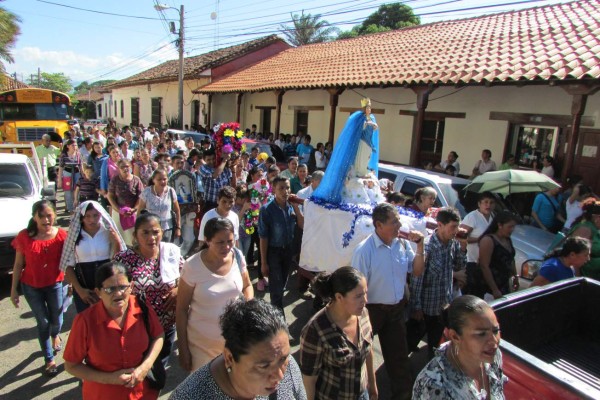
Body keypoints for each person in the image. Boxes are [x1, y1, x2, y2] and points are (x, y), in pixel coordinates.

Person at [351, 203, 424, 400]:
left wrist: (420, 247)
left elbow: (416, 271)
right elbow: (356, 290)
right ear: (379, 225)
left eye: (398, 220)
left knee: (398, 359)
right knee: (359, 356)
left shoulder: (402, 244)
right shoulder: (364, 251)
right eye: (394, 221)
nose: (399, 224)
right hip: (371, 311)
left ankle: (403, 395)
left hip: (396, 311)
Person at [63, 262, 164, 400]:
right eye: (110, 289)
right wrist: (110, 379)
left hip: (143, 394)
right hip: (102, 395)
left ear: (132, 287)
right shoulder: (85, 321)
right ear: (98, 292)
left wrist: (145, 367)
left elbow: (158, 335)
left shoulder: (142, 308)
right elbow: (71, 365)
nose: (118, 294)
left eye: (123, 287)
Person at [169, 299, 306, 400]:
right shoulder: (188, 396)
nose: (280, 376)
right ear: (229, 358)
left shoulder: (288, 366)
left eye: (283, 358)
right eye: (264, 366)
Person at [176, 218, 254, 372]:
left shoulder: (237, 256)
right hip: (201, 348)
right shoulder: (192, 266)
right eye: (220, 242)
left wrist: (248, 307)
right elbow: (181, 309)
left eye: (230, 241)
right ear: (207, 240)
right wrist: (183, 349)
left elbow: (247, 285)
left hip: (234, 343)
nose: (226, 247)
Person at [114, 213, 183, 370]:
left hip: (166, 325)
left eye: (155, 232)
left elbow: (189, 277)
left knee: (159, 369)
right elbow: (114, 289)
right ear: (135, 235)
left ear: (162, 233)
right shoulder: (124, 259)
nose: (151, 237)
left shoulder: (171, 254)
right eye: (145, 232)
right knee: (140, 368)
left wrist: (178, 289)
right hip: (137, 327)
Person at [299, 267, 377, 400]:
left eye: (365, 293)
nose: (365, 300)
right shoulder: (315, 330)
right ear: (339, 297)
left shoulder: (363, 314)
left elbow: (368, 351)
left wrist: (373, 386)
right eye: (358, 296)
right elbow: (309, 380)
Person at [10, 200, 67, 377]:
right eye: (41, 216)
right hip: (31, 287)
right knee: (43, 322)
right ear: (34, 217)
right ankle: (49, 359)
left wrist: (71, 284)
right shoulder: (24, 236)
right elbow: (18, 264)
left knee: (57, 320)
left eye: (49, 215)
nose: (46, 219)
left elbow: (68, 263)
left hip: (55, 284)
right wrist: (14, 290)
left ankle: (55, 334)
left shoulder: (61, 236)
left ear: (54, 215)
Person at [412, 295, 506, 399]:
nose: (494, 342)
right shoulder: (433, 386)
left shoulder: (494, 356)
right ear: (455, 336)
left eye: (495, 331)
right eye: (481, 334)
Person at [409, 208, 467, 360]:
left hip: (443, 305)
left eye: (457, 227)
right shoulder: (427, 246)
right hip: (427, 307)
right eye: (452, 227)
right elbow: (417, 279)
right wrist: (416, 307)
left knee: (436, 346)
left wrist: (463, 247)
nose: (456, 231)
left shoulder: (453, 244)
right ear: (440, 225)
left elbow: (459, 265)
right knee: (411, 341)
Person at [59, 201, 126, 313]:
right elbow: (68, 266)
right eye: (87, 216)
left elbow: (118, 260)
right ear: (81, 218)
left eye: (95, 215)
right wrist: (80, 290)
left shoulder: (108, 232)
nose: (92, 220)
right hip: (84, 286)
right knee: (88, 322)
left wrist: (117, 242)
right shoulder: (75, 236)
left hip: (108, 284)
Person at [313, 98, 379, 205]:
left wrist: (372, 124)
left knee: (366, 157)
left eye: (369, 108)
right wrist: (367, 124)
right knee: (360, 158)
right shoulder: (360, 118)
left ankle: (363, 171)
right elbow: (358, 129)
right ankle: (358, 171)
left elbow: (375, 128)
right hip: (361, 143)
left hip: (368, 143)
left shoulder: (371, 118)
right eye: (367, 107)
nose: (369, 110)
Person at [259, 177, 304, 313]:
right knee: (276, 290)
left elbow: (301, 225)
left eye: (287, 187)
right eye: (281, 188)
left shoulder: (291, 206)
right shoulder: (267, 210)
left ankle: (275, 314)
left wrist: (296, 207)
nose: (285, 191)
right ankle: (278, 320)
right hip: (274, 253)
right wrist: (263, 262)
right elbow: (263, 237)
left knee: (281, 285)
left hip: (288, 251)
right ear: (273, 189)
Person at [474, 211, 520, 299]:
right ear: (500, 225)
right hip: (489, 287)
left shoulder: (507, 239)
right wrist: (494, 289)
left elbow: (511, 259)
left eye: (513, 226)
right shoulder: (488, 240)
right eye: (509, 226)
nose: (512, 229)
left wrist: (515, 276)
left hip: (504, 283)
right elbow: (484, 266)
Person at [460, 192, 495, 295]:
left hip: (485, 264)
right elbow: (459, 237)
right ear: (479, 204)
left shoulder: (493, 217)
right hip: (471, 262)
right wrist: (480, 239)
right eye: (485, 202)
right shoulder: (472, 217)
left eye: (491, 202)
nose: (488, 205)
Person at [138, 168, 181, 243]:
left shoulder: (171, 191)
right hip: (151, 228)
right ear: (153, 180)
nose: (162, 181)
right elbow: (140, 211)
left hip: (167, 228)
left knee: (165, 250)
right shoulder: (147, 192)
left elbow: (177, 210)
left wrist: (178, 228)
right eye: (159, 179)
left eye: (164, 179)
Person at [108, 159, 144, 246]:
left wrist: (134, 209)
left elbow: (141, 197)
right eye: (122, 167)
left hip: (133, 213)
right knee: (118, 239)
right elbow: (110, 196)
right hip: (118, 212)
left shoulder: (136, 180)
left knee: (133, 239)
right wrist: (118, 209)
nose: (125, 169)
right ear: (118, 169)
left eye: (127, 166)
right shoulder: (114, 180)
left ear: (130, 167)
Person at [567, 199, 600, 280]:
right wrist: (576, 279)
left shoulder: (593, 229)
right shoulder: (585, 229)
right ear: (597, 217)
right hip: (582, 277)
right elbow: (574, 255)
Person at [57, 139, 83, 213]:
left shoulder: (78, 154)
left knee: (77, 191)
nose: (74, 147)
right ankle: (71, 209)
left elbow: (81, 166)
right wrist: (59, 179)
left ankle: (77, 208)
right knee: (68, 192)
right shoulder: (64, 155)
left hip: (77, 173)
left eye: (75, 145)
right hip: (67, 174)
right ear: (68, 146)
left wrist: (83, 175)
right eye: (72, 145)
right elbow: (61, 167)